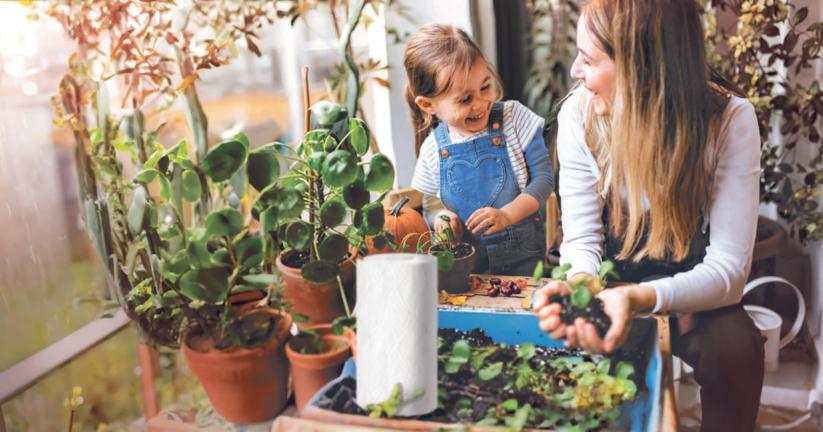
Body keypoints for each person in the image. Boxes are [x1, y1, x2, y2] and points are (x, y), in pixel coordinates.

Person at [531, 0, 765, 430]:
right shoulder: (578, 115)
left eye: (589, 60)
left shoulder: (730, 121)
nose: (576, 72)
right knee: (591, 361)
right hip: (611, 276)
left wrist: (640, 298)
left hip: (692, 282)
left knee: (736, 348)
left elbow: (728, 272)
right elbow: (582, 241)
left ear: (641, 71)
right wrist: (583, 287)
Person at [405, 24, 554, 276]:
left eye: (485, 87)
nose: (481, 103)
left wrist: (507, 215)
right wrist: (442, 219)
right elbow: (431, 206)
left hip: (526, 262)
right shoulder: (432, 149)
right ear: (428, 105)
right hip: (471, 272)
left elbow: (544, 180)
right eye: (465, 99)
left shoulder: (515, 119)